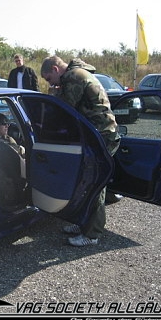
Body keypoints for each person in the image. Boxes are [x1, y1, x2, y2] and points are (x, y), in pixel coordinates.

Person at [40, 55, 120, 247]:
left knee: (94, 184)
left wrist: (52, 96)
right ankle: (83, 223)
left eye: (49, 79)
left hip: (102, 136)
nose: (51, 84)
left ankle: (92, 234)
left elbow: (65, 109)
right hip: (96, 135)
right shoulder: (77, 74)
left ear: (56, 69)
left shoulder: (75, 76)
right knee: (84, 182)